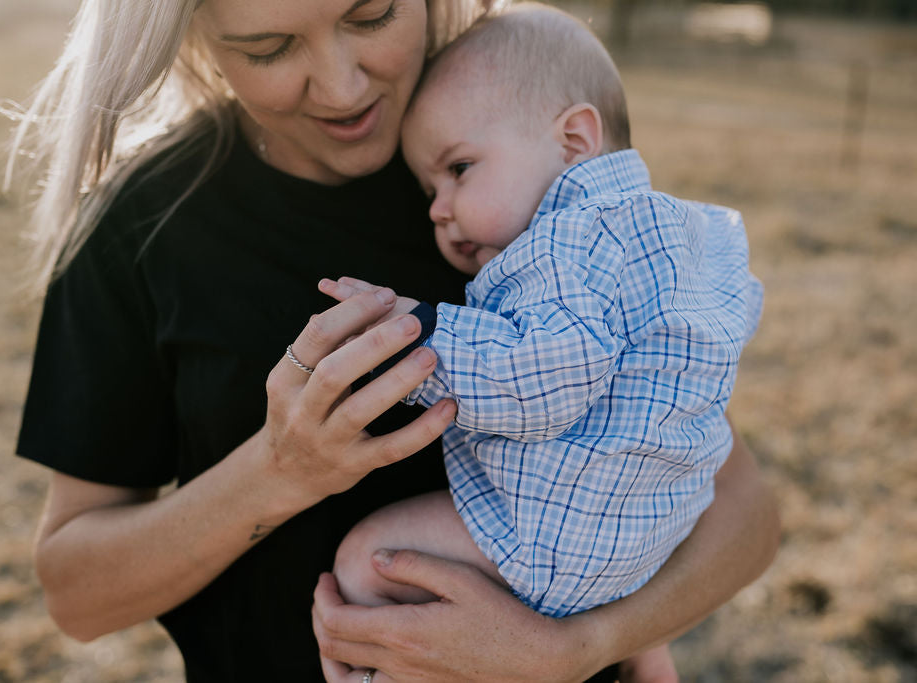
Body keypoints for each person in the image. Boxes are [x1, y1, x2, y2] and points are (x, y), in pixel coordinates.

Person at [6, 0, 779, 681]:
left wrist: (580, 647)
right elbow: (76, 594)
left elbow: (740, 510)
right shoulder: (143, 231)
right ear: (191, 35)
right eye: (270, 48)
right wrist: (280, 471)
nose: (343, 87)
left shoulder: (500, 144)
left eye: (372, 15)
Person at [320, 3, 764, 680]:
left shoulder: (564, 243)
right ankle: (641, 647)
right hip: (658, 530)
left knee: (365, 561)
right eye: (429, 188)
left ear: (575, 140)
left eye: (459, 168)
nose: (438, 207)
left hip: (561, 532)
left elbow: (541, 380)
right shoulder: (677, 229)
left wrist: (412, 331)